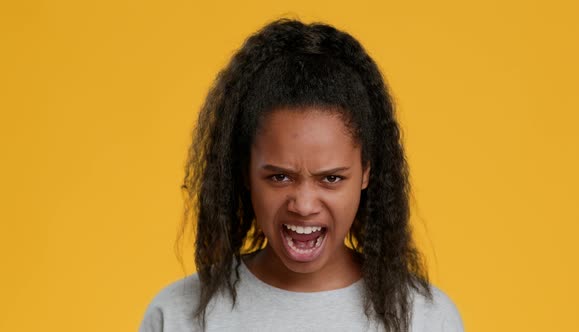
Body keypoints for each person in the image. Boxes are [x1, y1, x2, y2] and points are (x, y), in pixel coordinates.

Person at [139, 18, 464, 332]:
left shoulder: (426, 319)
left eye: (332, 178)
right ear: (245, 173)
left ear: (367, 171)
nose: (304, 205)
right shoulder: (178, 316)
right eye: (279, 177)